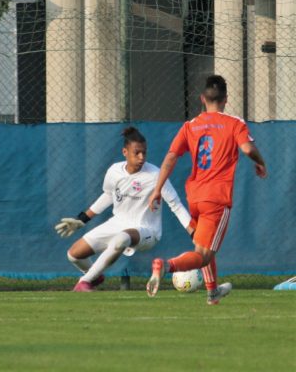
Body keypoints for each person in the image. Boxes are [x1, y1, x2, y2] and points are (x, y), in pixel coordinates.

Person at [146, 75, 267, 305]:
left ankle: (212, 293)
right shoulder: (234, 123)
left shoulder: (190, 125)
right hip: (216, 197)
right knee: (203, 255)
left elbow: (171, 156)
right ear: (226, 99)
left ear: (203, 99)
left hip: (195, 196)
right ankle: (165, 266)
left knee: (202, 246)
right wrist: (261, 162)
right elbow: (247, 148)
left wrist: (157, 189)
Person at [55, 127, 193, 292]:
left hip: (147, 230)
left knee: (121, 239)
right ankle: (95, 276)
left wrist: (193, 232)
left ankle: (84, 282)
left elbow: (176, 205)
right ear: (125, 152)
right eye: (137, 153)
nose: (142, 157)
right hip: (117, 223)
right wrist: (82, 219)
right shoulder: (114, 171)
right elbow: (108, 195)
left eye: (144, 153)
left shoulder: (156, 175)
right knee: (73, 255)